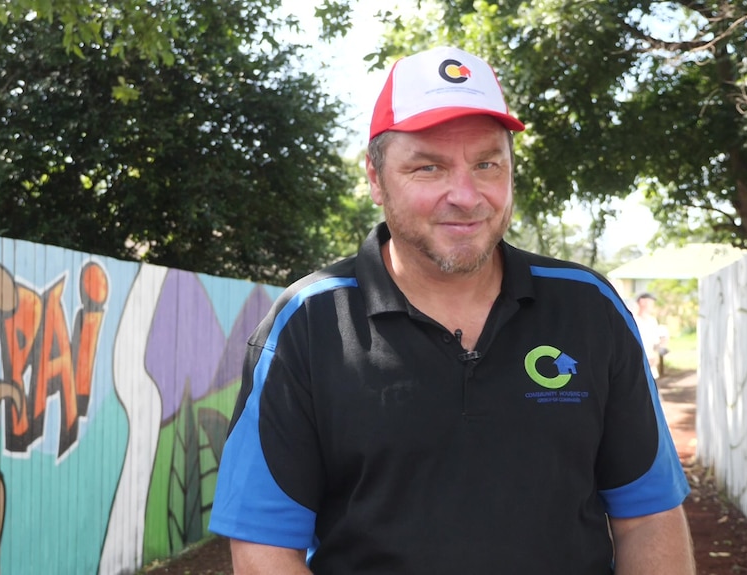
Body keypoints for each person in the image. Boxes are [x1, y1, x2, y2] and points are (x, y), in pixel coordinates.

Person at [209, 46, 695, 574]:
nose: (465, 195)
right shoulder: (309, 324)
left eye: (487, 163)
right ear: (376, 179)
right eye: (428, 167)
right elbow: (264, 547)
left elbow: (648, 516)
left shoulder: (589, 308)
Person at [633, 292, 667, 379]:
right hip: (636, 367)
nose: (653, 306)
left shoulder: (652, 321)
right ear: (642, 302)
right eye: (650, 302)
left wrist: (663, 343)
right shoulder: (633, 320)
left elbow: (655, 344)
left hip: (651, 368)